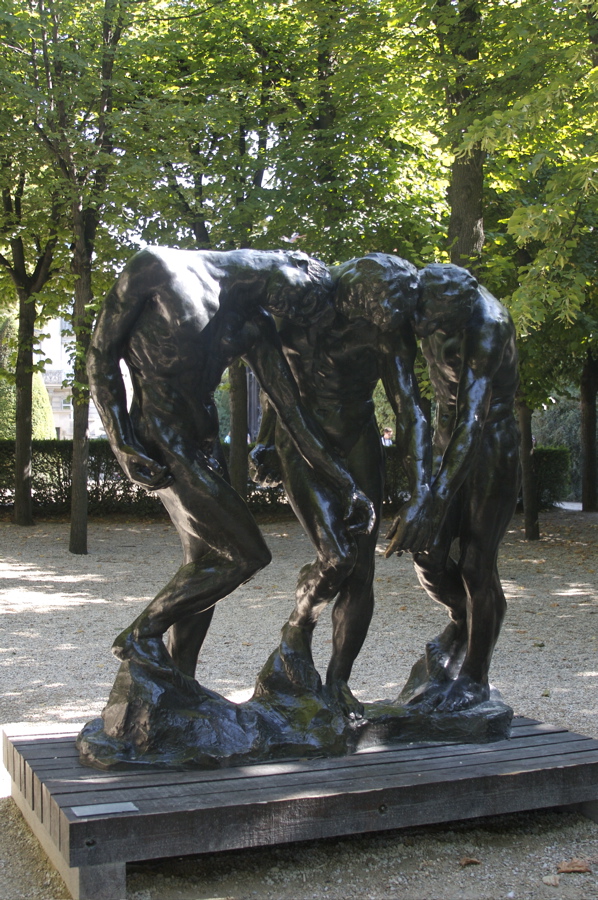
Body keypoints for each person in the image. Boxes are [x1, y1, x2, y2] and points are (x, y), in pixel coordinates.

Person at [88, 246, 374, 684]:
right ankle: (140, 634)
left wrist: (345, 483)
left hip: (203, 442)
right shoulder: (158, 268)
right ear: (296, 263)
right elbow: (100, 355)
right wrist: (121, 441)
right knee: (246, 553)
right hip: (160, 437)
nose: (301, 311)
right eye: (308, 298)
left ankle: (180, 680)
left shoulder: (254, 325)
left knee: (203, 562)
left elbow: (292, 412)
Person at [251, 253, 428, 711]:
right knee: (336, 556)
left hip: (357, 439)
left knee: (361, 568)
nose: (382, 323)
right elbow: (277, 383)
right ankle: (299, 625)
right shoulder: (299, 303)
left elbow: (408, 407)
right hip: (299, 440)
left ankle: (338, 682)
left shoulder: (385, 327)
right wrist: (265, 439)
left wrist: (422, 489)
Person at [386, 263, 520, 712]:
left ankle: (475, 677)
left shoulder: (489, 325)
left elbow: (473, 418)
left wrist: (435, 497)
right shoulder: (424, 305)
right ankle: (464, 620)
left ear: (457, 311)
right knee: (428, 552)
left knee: (477, 565)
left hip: (491, 445)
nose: (422, 327)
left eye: (433, 321)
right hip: (447, 438)